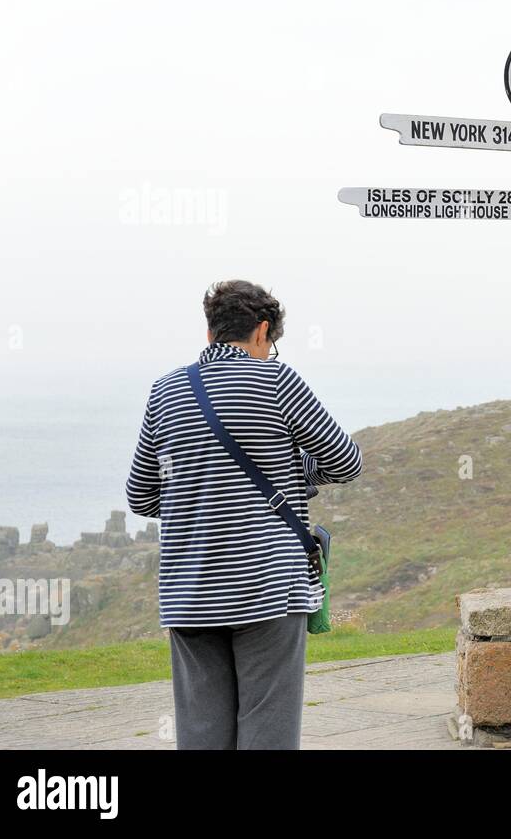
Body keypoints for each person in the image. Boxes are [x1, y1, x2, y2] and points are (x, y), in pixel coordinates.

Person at [126, 280, 362, 749]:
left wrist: (198, 495)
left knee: (201, 732)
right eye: (271, 343)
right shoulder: (278, 381)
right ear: (261, 331)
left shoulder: (165, 390)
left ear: (210, 332)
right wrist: (292, 472)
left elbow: (141, 495)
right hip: (268, 586)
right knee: (267, 728)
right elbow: (346, 461)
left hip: (189, 591)